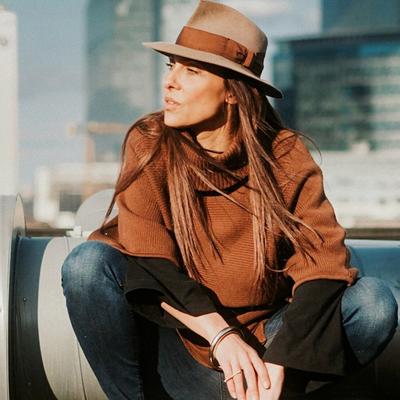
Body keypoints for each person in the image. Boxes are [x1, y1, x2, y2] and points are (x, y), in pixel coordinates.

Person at [61, 1, 398, 399]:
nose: (170, 82)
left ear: (233, 93)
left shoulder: (284, 154)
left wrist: (283, 361)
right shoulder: (150, 143)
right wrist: (222, 335)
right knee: (86, 265)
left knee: (373, 304)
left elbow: (323, 264)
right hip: (183, 349)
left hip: (269, 354)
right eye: (172, 66)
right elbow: (149, 258)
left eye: (192, 71)